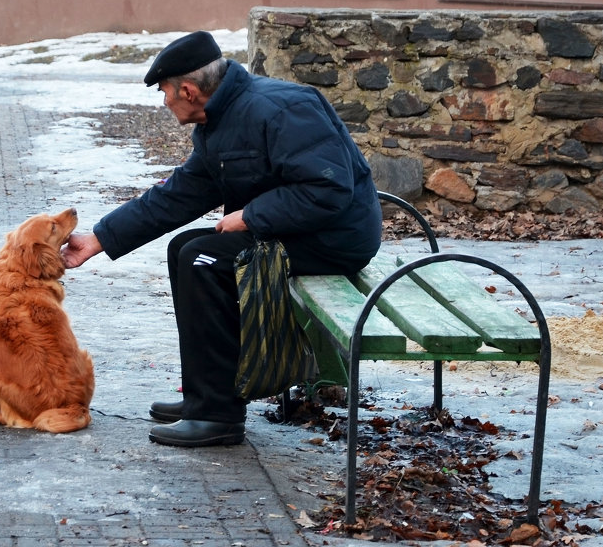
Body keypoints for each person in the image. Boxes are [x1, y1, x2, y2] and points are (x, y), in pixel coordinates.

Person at [62, 31, 382, 448]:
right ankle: (204, 397)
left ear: (189, 90)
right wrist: (101, 239)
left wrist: (251, 215)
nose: (164, 102)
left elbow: (328, 190)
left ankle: (219, 416)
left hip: (336, 238)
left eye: (165, 93)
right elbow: (180, 194)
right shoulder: (221, 121)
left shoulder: (283, 108)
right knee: (184, 250)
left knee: (203, 260)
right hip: (299, 230)